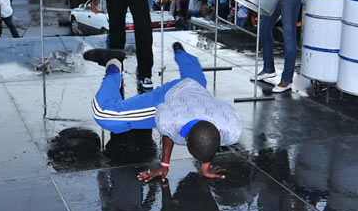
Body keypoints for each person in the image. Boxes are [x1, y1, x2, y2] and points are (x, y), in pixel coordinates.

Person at [83, 43, 242, 181]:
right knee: (105, 114)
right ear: (185, 138)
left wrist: (205, 166)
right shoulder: (171, 118)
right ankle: (114, 63)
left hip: (197, 91)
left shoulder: (232, 128)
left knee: (194, 77)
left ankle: (180, 52)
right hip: (172, 95)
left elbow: (209, 141)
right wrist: (164, 165)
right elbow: (168, 131)